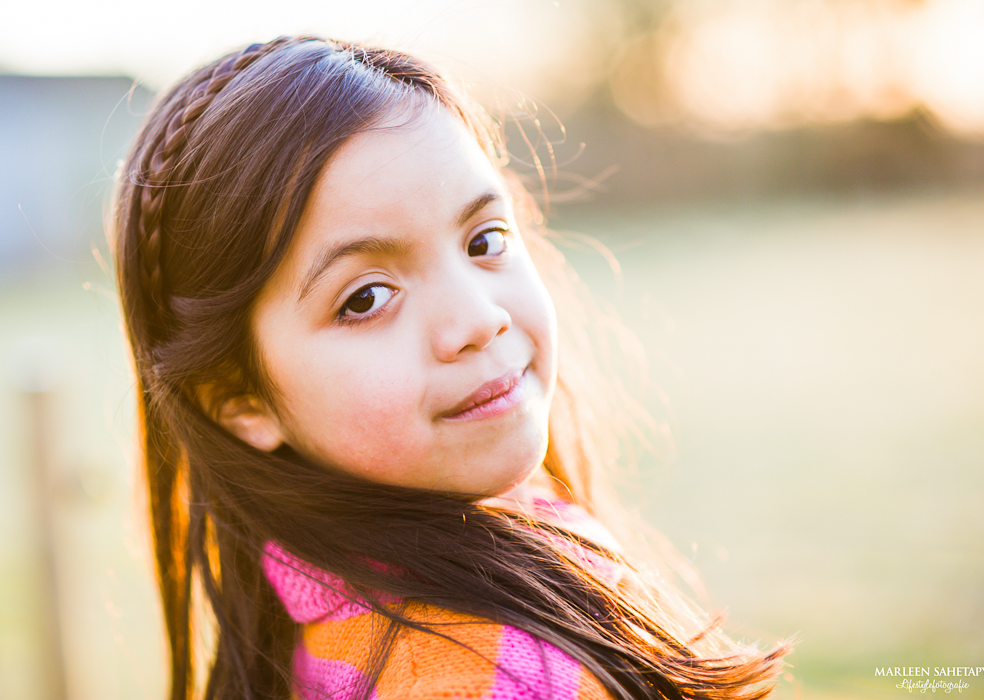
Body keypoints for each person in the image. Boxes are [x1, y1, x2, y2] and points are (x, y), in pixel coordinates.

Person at [112, 36, 791, 700]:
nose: (477, 319)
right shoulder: (487, 678)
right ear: (240, 400)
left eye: (483, 240)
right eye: (366, 298)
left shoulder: (397, 588)